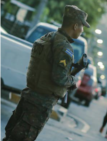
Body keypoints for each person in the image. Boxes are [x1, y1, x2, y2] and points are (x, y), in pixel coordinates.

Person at [2, 5, 90, 141]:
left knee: (11, 135)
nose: (82, 30)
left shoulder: (49, 37)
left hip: (29, 94)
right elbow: (59, 78)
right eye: (82, 26)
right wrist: (72, 81)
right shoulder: (64, 48)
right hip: (41, 102)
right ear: (75, 26)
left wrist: (72, 69)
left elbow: (48, 67)